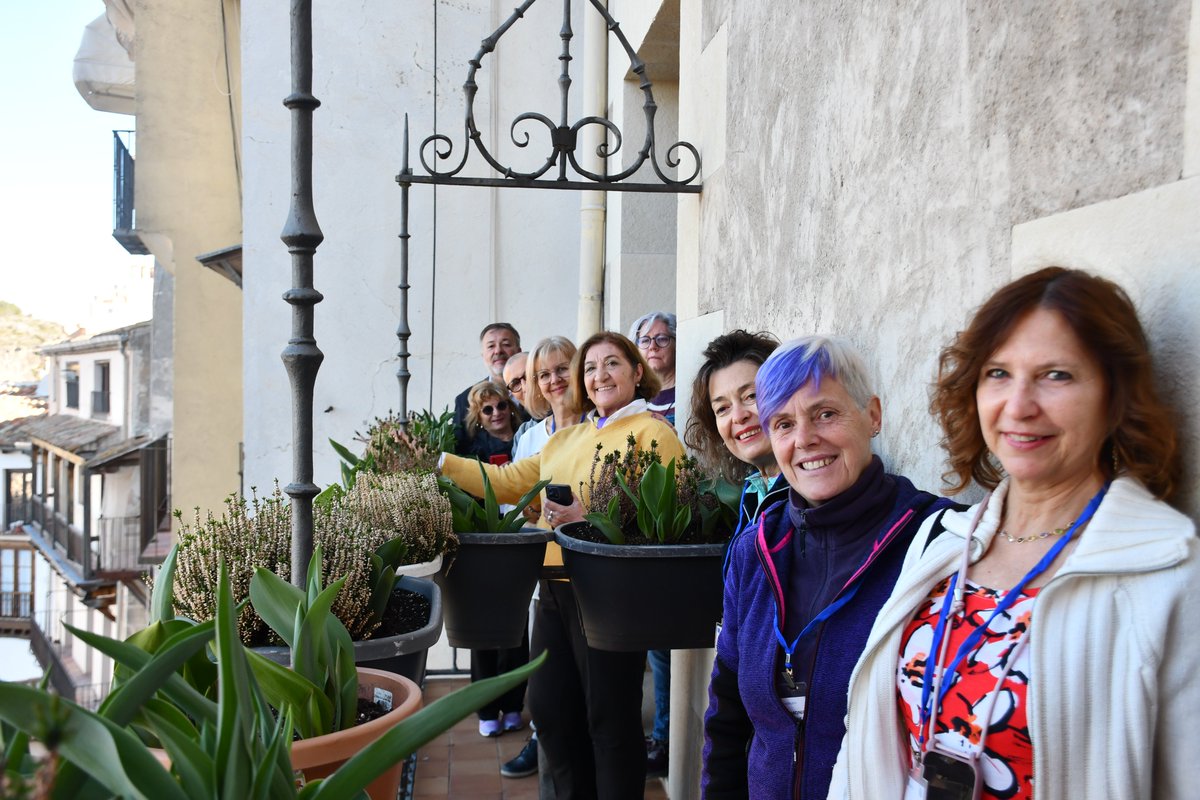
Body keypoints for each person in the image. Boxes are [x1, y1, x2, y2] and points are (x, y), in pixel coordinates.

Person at [830, 267, 1198, 800]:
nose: (1019, 406)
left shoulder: (1164, 572)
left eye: (1057, 375)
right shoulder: (946, 541)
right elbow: (865, 742)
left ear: (1115, 397)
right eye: (998, 373)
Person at [702, 335, 954, 799]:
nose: (804, 440)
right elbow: (728, 715)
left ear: (872, 415)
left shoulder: (937, 543)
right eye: (782, 423)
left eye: (825, 414)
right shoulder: (754, 551)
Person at [439, 331, 684, 799]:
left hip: (610, 595)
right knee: (550, 712)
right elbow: (507, 481)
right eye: (590, 368)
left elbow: (665, 523)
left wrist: (586, 521)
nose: (600, 375)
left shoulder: (654, 432)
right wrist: (437, 461)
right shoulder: (567, 439)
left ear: (637, 372)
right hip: (554, 588)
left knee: (609, 722)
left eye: (612, 364)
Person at [501, 335, 583, 781]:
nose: (553, 380)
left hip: (592, 578)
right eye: (542, 374)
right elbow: (512, 492)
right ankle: (544, 752)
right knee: (549, 697)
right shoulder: (531, 436)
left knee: (592, 704)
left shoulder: (598, 425)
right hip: (546, 574)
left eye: (562, 368)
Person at [684, 329, 788, 538]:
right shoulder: (754, 491)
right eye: (722, 408)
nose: (738, 416)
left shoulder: (809, 496)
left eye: (751, 395)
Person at [452, 322, 525, 450]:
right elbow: (458, 451)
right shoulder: (464, 400)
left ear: (519, 352)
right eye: (491, 346)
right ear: (483, 355)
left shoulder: (539, 391)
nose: (498, 351)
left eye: (506, 344)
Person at [629, 311, 677, 425]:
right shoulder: (630, 399)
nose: (652, 347)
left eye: (661, 339)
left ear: (676, 344)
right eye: (645, 340)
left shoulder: (688, 395)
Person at [455, 380, 519, 463]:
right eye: (488, 410)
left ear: (510, 407)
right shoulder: (475, 454)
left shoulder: (527, 432)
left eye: (501, 406)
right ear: (478, 417)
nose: (496, 413)